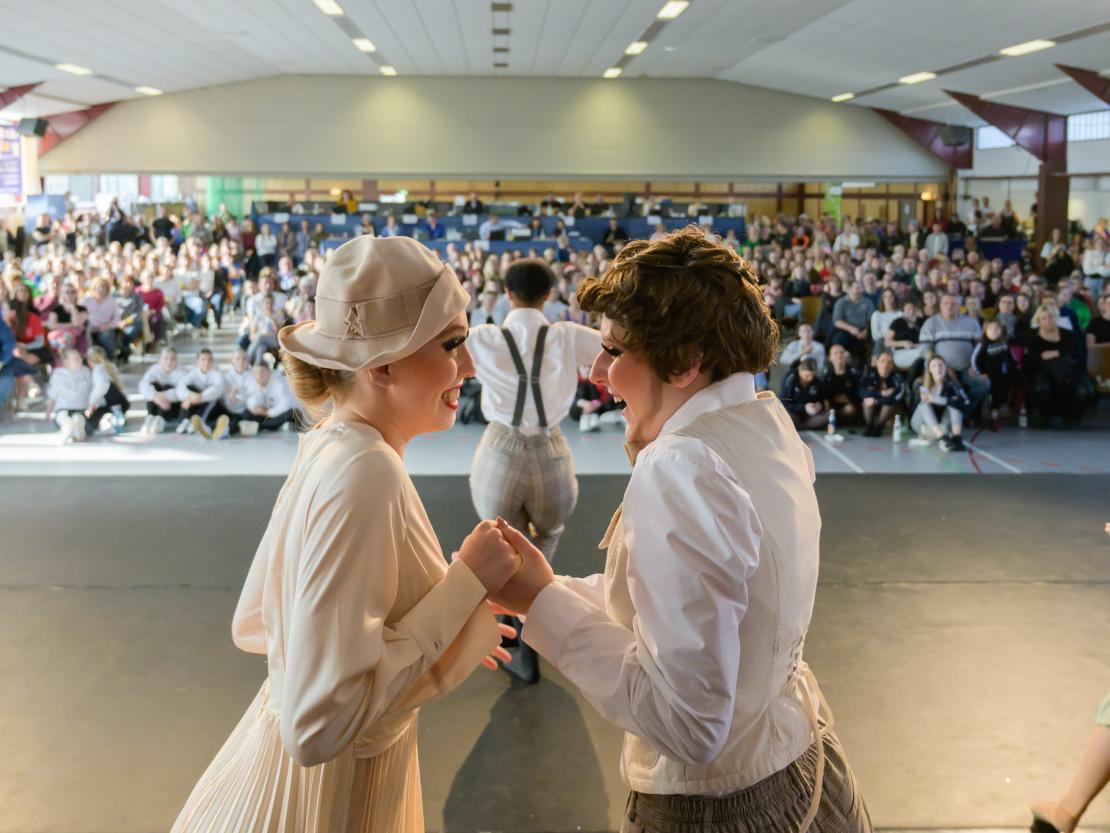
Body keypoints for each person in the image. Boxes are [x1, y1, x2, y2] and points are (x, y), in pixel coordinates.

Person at [489, 228, 872, 833]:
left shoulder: (683, 467)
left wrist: (538, 604)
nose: (596, 371)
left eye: (614, 351)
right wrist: (550, 588)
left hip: (721, 806)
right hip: (799, 758)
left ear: (687, 361)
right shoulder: (764, 422)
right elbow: (691, 609)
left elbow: (690, 724)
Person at [171, 234, 516, 833]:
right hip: (331, 803)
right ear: (381, 364)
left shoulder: (332, 442)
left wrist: (443, 619)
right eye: (453, 343)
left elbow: (256, 619)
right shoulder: (368, 470)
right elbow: (318, 726)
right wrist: (465, 586)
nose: (468, 365)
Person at [465, 257, 601, 682]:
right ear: (548, 295)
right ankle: (533, 617)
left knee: (495, 535)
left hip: (500, 450)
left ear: (507, 293)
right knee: (548, 535)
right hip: (551, 448)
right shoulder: (567, 336)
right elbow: (617, 350)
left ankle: (503, 622)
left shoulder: (484, 337)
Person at [919, 293, 990, 419]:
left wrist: (975, 367)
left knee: (984, 384)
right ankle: (943, 419)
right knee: (918, 385)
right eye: (945, 303)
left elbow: (980, 347)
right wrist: (942, 368)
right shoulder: (931, 323)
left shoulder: (971, 322)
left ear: (959, 306)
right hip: (939, 370)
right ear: (940, 306)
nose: (949, 306)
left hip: (967, 368)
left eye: (953, 304)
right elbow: (925, 350)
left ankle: (961, 415)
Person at [1027, 304, 1092, 428]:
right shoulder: (1033, 336)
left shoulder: (1068, 334)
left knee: (1085, 391)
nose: (1048, 321)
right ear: (1038, 321)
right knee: (1041, 388)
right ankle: (1045, 418)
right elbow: (1033, 360)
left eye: (1050, 317)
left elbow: (1078, 354)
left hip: (1070, 373)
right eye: (1044, 318)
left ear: (1056, 318)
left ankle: (1072, 419)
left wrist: (1057, 353)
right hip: (1044, 373)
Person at [909, 355, 968, 450]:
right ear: (929, 369)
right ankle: (942, 438)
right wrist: (931, 398)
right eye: (934, 366)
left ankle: (957, 439)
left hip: (943, 425)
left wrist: (939, 399)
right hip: (921, 425)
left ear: (945, 368)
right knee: (924, 403)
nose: (938, 368)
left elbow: (965, 402)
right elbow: (918, 402)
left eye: (940, 365)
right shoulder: (920, 382)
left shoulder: (953, 384)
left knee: (954, 403)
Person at [971, 319, 1017, 429]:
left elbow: (1010, 358)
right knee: (988, 397)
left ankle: (994, 418)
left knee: (1000, 396)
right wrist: (979, 373)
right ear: (985, 330)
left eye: (997, 328)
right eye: (990, 328)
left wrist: (1013, 369)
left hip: (1002, 376)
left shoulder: (1004, 344)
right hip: (988, 376)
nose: (994, 331)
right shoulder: (982, 345)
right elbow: (974, 360)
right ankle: (980, 418)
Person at [176, 348, 228, 438]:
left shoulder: (218, 373)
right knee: (189, 389)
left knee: (211, 395)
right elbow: (180, 385)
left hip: (214, 406)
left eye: (209, 360)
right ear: (197, 361)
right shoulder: (194, 372)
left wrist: (200, 397)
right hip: (196, 401)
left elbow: (217, 390)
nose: (206, 362)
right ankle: (185, 420)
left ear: (213, 361)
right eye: (203, 359)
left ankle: (200, 422)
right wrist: (189, 396)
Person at [238, 361, 300, 434]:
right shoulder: (255, 382)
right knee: (246, 413)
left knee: (292, 413)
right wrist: (257, 408)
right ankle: (275, 426)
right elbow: (251, 401)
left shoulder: (279, 383)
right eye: (255, 372)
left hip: (286, 412)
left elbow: (286, 405)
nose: (259, 375)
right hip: (271, 415)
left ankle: (262, 426)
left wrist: (267, 412)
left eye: (262, 372)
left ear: (269, 372)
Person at [45, 348, 92, 443]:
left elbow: (92, 391)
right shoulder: (58, 374)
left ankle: (74, 429)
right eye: (76, 358)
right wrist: (48, 413)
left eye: (80, 357)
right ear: (66, 362)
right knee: (66, 417)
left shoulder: (86, 372)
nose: (80, 360)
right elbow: (52, 395)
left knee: (74, 418)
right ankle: (70, 428)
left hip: (79, 409)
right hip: (65, 409)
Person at [858, 351, 904, 437]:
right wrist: (880, 393)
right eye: (882, 361)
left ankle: (878, 428)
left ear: (892, 365)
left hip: (888, 410)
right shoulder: (869, 374)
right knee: (867, 401)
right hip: (871, 410)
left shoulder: (897, 377)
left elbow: (897, 397)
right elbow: (860, 391)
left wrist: (876, 401)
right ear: (877, 363)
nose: (885, 365)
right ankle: (869, 426)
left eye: (889, 362)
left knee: (888, 404)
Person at [85, 346, 129, 435]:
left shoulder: (98, 371)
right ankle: (115, 418)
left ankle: (111, 422)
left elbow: (101, 388)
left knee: (91, 422)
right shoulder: (108, 366)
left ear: (89, 361)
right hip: (121, 403)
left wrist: (91, 402)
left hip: (113, 404)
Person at [139, 347, 184, 434]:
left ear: (177, 360)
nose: (169, 362)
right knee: (153, 386)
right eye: (166, 358)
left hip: (172, 406)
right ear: (161, 360)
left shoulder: (182, 372)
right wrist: (156, 397)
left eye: (173, 359)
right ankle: (151, 417)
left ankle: (160, 419)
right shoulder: (155, 369)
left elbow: (181, 392)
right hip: (158, 403)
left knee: (168, 386)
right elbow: (143, 385)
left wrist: (164, 396)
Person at [829, 280, 875, 363]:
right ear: (850, 289)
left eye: (861, 288)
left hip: (863, 332)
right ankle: (837, 361)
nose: (860, 290)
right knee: (838, 338)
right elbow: (837, 321)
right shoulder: (841, 302)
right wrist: (851, 329)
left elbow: (872, 321)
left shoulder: (868, 303)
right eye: (857, 288)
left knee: (864, 347)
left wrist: (865, 331)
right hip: (846, 331)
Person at [781, 357, 828, 430]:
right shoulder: (790, 379)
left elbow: (822, 399)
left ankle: (799, 427)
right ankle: (804, 426)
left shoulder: (816, 381)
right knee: (784, 415)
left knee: (828, 415)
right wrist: (804, 407)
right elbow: (784, 404)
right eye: (807, 376)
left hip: (810, 416)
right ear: (800, 371)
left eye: (812, 376)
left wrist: (819, 405)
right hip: (794, 413)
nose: (810, 379)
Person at [822, 343, 861, 424]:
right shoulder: (826, 374)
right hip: (831, 407)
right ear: (830, 358)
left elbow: (858, 397)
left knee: (850, 409)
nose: (839, 355)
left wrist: (844, 398)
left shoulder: (854, 373)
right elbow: (825, 397)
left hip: (848, 407)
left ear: (845, 356)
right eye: (835, 353)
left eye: (841, 352)